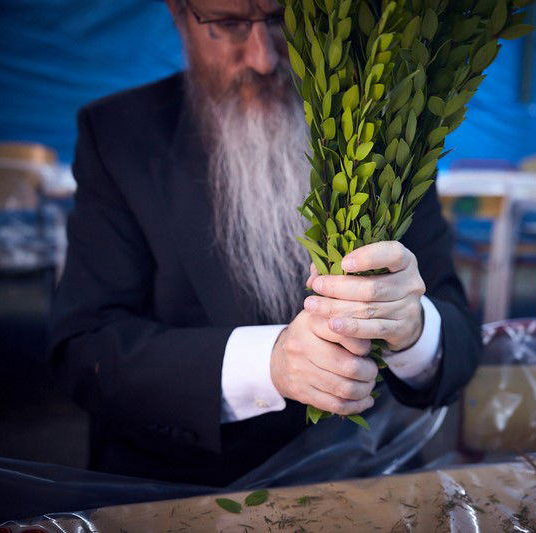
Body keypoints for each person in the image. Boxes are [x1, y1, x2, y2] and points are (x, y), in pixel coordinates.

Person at [49, 0, 481, 487]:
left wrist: (414, 328)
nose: (263, 58)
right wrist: (270, 364)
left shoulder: (386, 124)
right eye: (229, 24)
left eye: (283, 21)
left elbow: (459, 338)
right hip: (183, 481)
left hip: (366, 472)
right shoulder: (120, 133)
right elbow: (85, 350)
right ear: (179, 14)